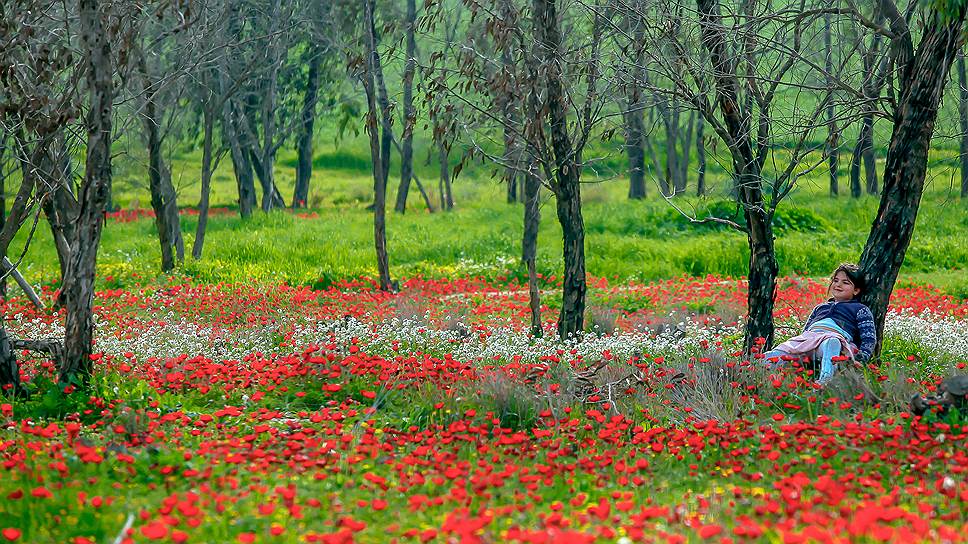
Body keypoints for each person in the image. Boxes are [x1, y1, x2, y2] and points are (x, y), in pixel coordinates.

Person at [762, 263, 876, 384]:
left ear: (856, 290)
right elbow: (806, 331)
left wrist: (862, 358)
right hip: (808, 340)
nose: (838, 284)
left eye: (845, 282)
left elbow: (869, 338)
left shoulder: (860, 309)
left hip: (833, 340)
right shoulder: (820, 308)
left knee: (832, 342)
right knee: (771, 356)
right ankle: (756, 376)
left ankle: (825, 381)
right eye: (836, 280)